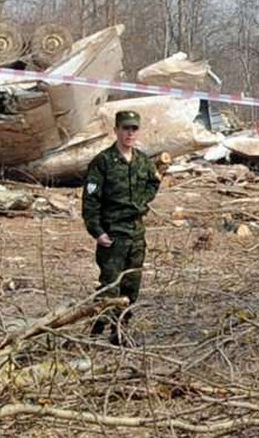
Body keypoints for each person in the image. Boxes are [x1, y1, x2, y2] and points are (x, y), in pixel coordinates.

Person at [82, 110, 161, 345]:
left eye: (134, 129)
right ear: (116, 130)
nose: (129, 133)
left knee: (131, 286)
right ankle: (97, 330)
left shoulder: (142, 161)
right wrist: (97, 231)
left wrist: (141, 202)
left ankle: (120, 332)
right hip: (113, 235)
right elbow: (90, 200)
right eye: (125, 128)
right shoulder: (103, 162)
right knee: (110, 285)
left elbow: (154, 181)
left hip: (136, 234)